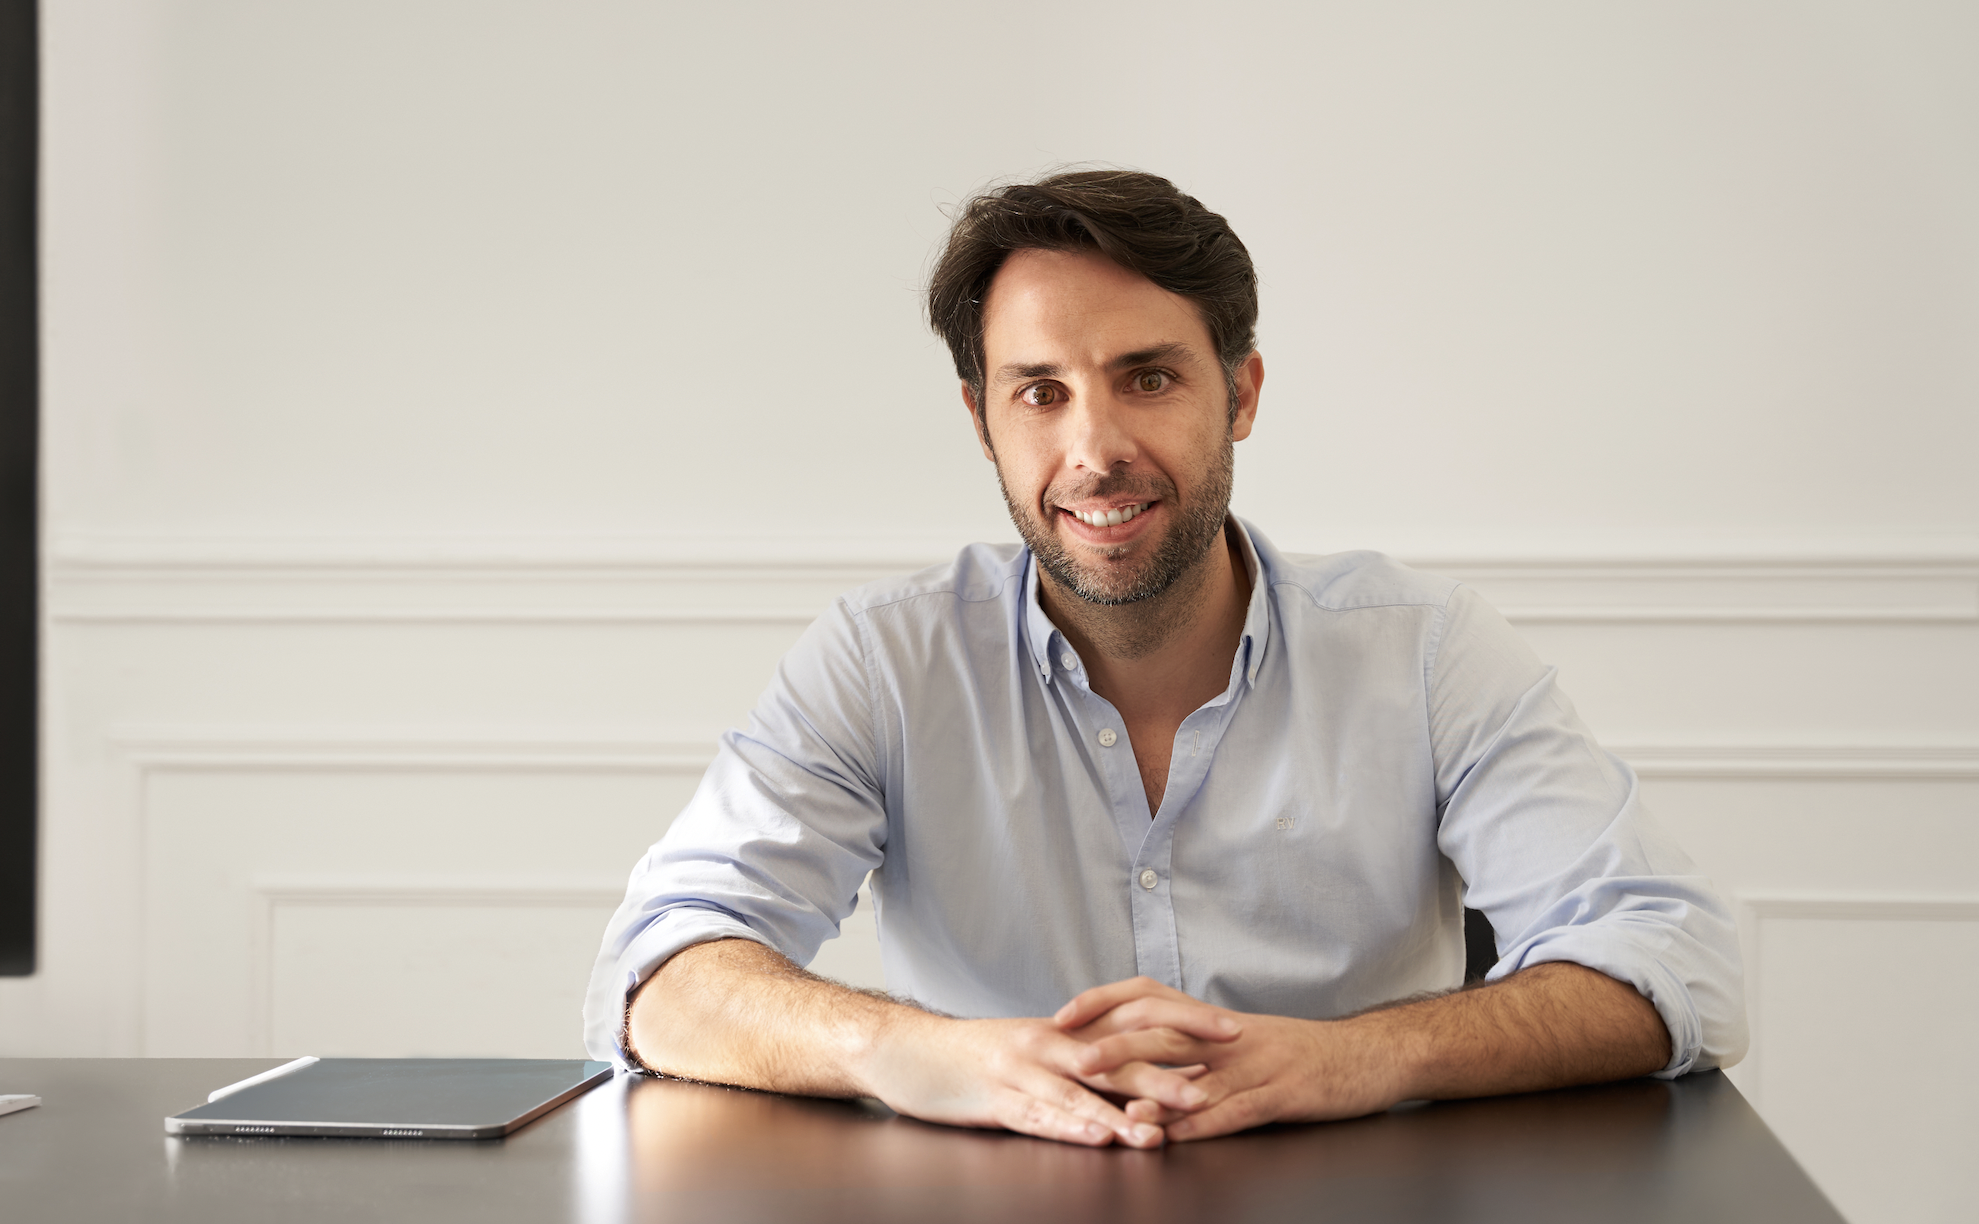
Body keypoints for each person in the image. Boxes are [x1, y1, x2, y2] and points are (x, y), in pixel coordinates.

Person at [582, 169, 1746, 1149]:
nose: (1093, 450)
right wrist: (919, 1056)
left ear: (1237, 392)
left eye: (1147, 377)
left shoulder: (1423, 651)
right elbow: (661, 971)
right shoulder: (883, 662)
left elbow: (1671, 960)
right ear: (982, 421)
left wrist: (1347, 1063)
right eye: (1039, 393)